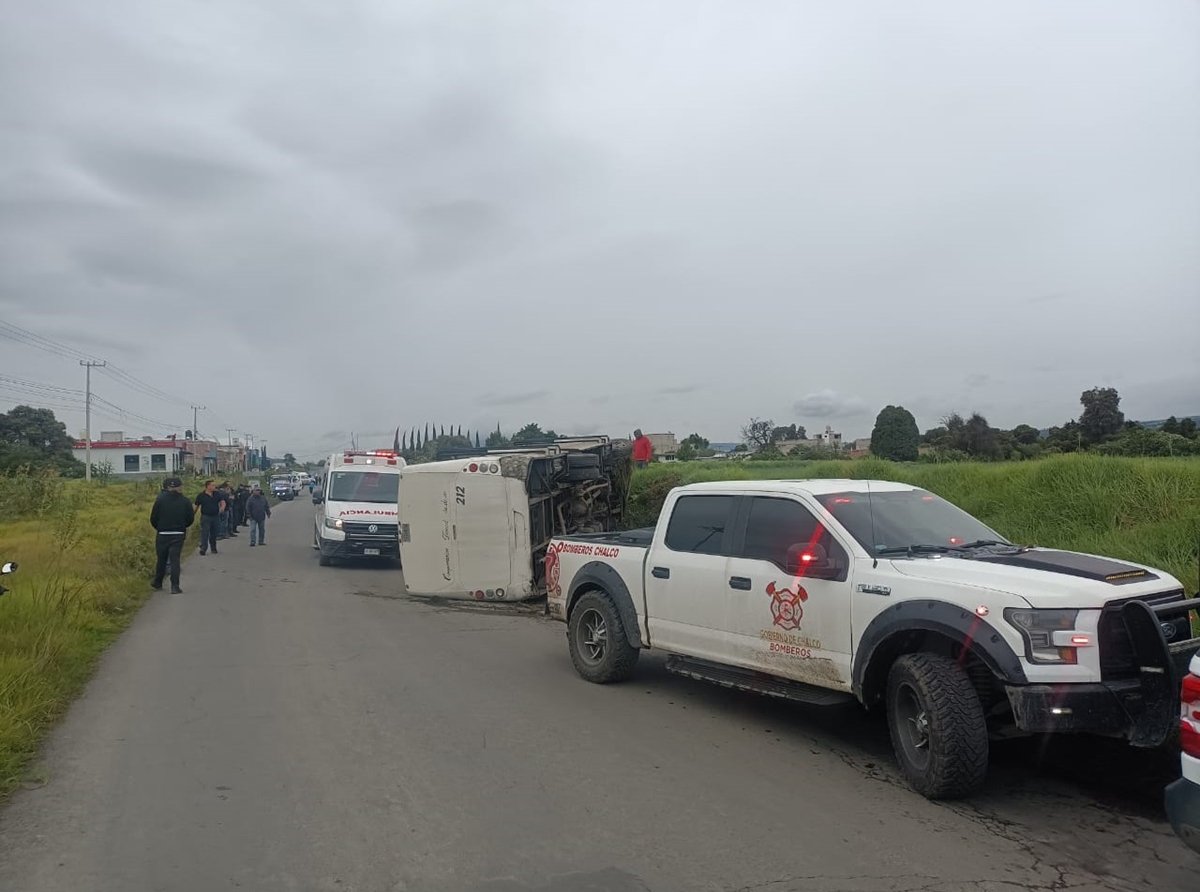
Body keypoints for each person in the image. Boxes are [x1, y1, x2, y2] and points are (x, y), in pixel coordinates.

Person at [150, 476, 193, 593]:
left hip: (163, 533)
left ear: (167, 487)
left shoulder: (160, 500)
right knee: (175, 560)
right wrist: (183, 526)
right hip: (178, 533)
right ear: (179, 487)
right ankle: (175, 586)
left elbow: (153, 518)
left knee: (161, 559)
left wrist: (159, 528)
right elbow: (190, 518)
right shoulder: (185, 501)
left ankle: (158, 582)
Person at [194, 479, 225, 555]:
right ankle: (203, 548)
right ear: (208, 486)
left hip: (215, 516)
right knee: (205, 532)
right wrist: (192, 515)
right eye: (213, 485)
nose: (215, 486)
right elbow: (196, 505)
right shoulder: (201, 496)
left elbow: (222, 501)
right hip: (206, 517)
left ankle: (213, 547)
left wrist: (222, 507)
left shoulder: (217, 494)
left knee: (214, 533)